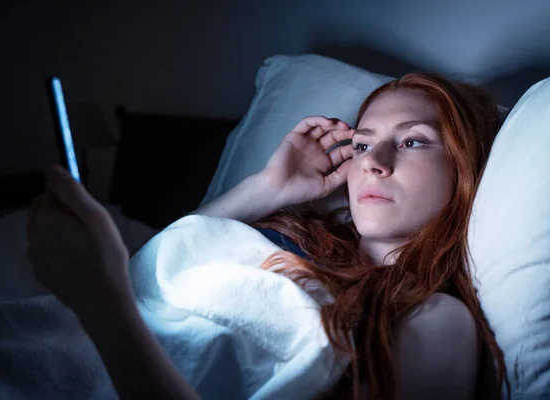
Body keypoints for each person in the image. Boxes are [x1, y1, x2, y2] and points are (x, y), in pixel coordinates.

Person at [27, 72, 509, 400]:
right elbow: (152, 275)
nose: (374, 161)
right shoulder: (292, 233)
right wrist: (268, 187)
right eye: (362, 143)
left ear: (464, 169)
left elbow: (116, 298)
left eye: (412, 141)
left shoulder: (436, 319)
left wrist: (104, 308)